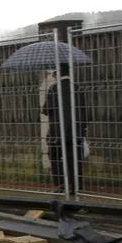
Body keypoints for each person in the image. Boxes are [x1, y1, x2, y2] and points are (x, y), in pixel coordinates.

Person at [44, 65, 88, 195]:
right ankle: (76, 186)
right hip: (76, 132)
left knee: (55, 157)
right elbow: (84, 111)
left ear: (57, 74)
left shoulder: (54, 89)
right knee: (74, 159)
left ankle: (61, 184)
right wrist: (83, 130)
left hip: (57, 132)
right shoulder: (77, 88)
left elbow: (46, 110)